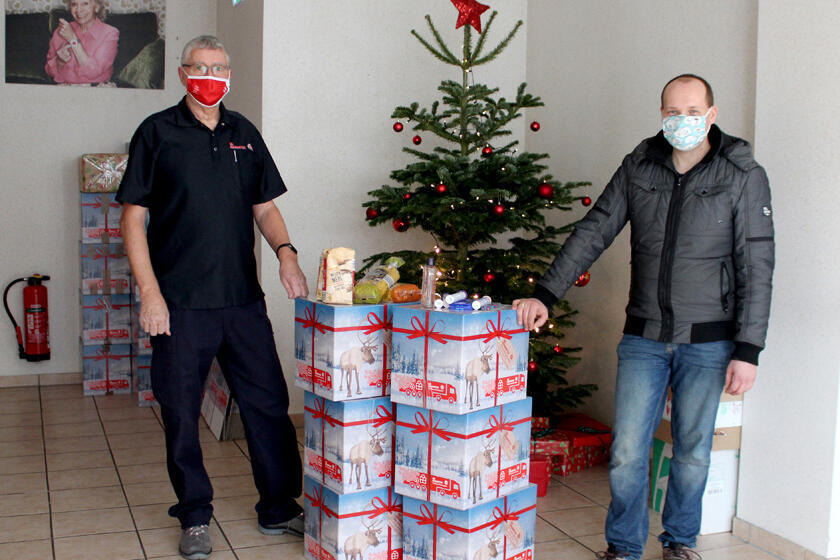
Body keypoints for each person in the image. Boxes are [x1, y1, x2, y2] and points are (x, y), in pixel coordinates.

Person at [513, 74, 774, 560]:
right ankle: (624, 547)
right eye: (673, 113)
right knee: (629, 453)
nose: (682, 122)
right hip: (644, 337)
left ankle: (679, 542)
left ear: (711, 116)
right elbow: (594, 230)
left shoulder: (741, 173)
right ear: (662, 115)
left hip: (710, 341)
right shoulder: (640, 166)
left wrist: (749, 349)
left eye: (692, 113)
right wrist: (547, 292)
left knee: (693, 453)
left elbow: (757, 265)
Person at [117, 35, 308, 560]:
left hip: (242, 301)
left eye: (218, 67)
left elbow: (264, 207)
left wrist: (286, 253)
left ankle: (278, 507)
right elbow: (133, 217)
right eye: (199, 67)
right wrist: (149, 294)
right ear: (182, 74)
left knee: (268, 405)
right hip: (179, 304)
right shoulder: (156, 133)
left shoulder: (243, 132)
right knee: (180, 412)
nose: (210, 75)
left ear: (229, 74)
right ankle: (195, 515)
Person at [45, 0, 119, 85]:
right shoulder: (61, 30)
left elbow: (93, 71)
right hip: (65, 90)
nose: (79, 10)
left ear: (97, 7)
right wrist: (59, 62)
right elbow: (49, 71)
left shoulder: (110, 33)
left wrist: (73, 39)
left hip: (96, 91)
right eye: (74, 4)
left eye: (85, 3)